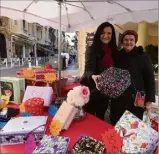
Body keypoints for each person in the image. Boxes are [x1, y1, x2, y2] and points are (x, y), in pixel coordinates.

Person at [110, 30, 155, 125]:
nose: (128, 42)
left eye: (131, 40)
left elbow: (150, 78)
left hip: (136, 99)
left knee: (133, 127)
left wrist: (149, 100)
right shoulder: (118, 55)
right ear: (122, 41)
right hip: (119, 99)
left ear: (135, 41)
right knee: (117, 124)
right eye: (126, 39)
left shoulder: (143, 56)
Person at [81, 22, 117, 120]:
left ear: (112, 35)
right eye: (103, 33)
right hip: (92, 90)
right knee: (90, 119)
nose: (106, 36)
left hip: (105, 92)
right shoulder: (92, 48)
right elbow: (88, 69)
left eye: (109, 33)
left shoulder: (113, 50)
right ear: (99, 33)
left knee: (101, 117)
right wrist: (93, 76)